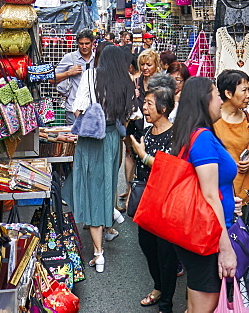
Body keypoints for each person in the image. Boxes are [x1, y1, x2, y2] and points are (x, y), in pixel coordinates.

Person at [170, 76, 238, 312]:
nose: (221, 100)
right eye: (217, 94)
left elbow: (207, 188)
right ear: (204, 99)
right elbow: (210, 197)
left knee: (195, 305)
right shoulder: (203, 139)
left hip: (200, 234)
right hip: (207, 237)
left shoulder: (192, 134)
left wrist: (229, 200)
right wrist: (226, 249)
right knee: (204, 307)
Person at [71, 44, 133, 273]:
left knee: (91, 188)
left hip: (91, 140)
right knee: (106, 183)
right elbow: (128, 115)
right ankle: (111, 213)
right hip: (113, 138)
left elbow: (78, 108)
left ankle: (99, 254)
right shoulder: (125, 81)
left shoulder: (90, 76)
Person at [129, 86, 179, 311]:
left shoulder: (175, 134)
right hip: (147, 201)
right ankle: (158, 286)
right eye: (145, 103)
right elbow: (139, 169)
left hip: (167, 203)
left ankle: (166, 303)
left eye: (149, 104)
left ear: (164, 108)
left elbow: (170, 169)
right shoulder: (147, 133)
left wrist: (143, 155)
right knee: (146, 245)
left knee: (166, 254)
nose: (145, 108)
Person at [121, 48, 164, 207]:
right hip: (136, 122)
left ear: (156, 65)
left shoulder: (161, 82)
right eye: (143, 64)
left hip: (153, 124)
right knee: (131, 155)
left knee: (148, 159)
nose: (145, 68)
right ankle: (130, 189)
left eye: (149, 65)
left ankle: (146, 194)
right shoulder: (136, 80)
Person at [213, 69, 249, 203]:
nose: (248, 95)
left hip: (245, 192)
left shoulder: (248, 119)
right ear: (228, 93)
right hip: (219, 193)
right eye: (244, 90)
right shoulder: (212, 120)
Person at [55, 31, 96, 116]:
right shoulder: (70, 58)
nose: (84, 47)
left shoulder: (97, 59)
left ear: (93, 42)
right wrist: (68, 73)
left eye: (87, 43)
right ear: (77, 43)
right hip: (73, 108)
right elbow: (52, 79)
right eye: (81, 44)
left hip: (93, 109)